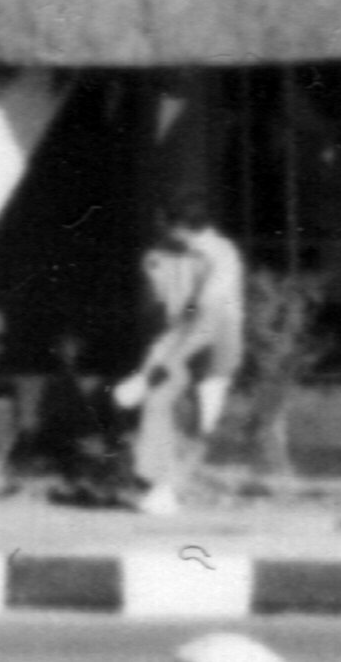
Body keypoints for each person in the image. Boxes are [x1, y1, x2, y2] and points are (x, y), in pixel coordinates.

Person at [119, 206, 247, 505]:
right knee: (158, 401)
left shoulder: (221, 254)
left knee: (200, 423)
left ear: (178, 227)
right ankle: (160, 485)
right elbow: (165, 311)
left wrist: (166, 360)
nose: (160, 231)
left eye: (164, 225)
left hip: (217, 339)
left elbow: (208, 319)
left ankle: (172, 483)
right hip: (180, 333)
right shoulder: (159, 256)